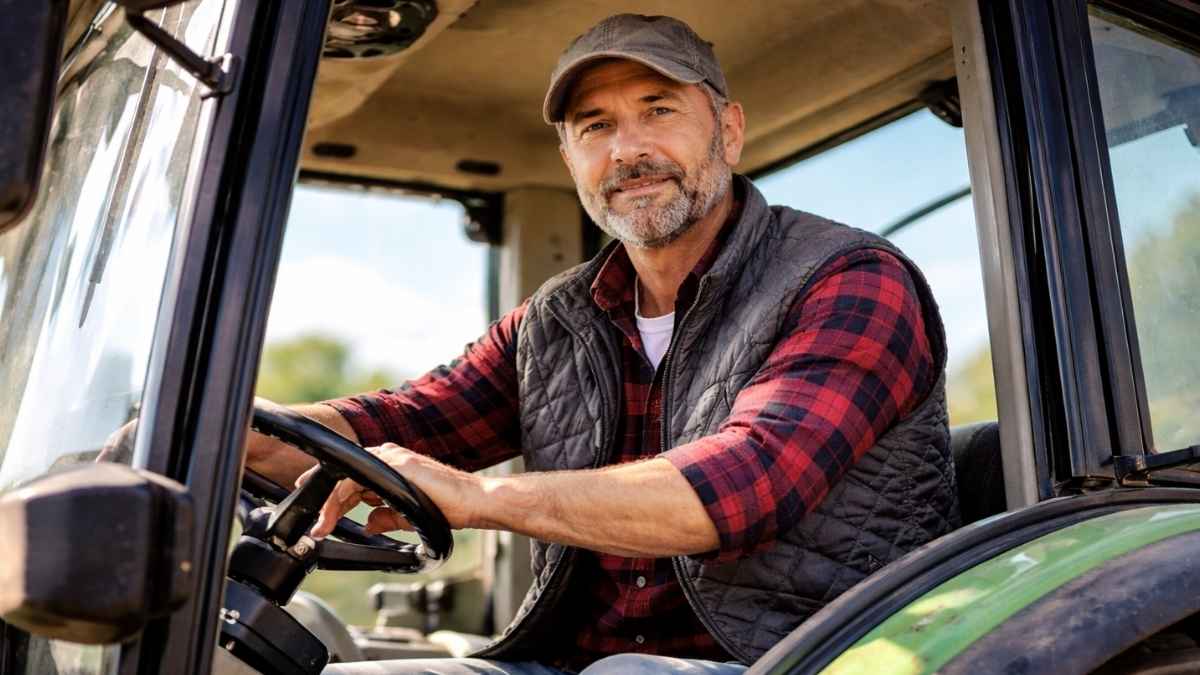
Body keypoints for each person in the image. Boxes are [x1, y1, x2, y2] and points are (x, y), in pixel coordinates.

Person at [248, 13, 959, 675]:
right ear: (570, 158)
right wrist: (231, 435)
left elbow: (748, 483)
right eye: (596, 126)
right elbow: (411, 422)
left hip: (801, 657)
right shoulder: (557, 319)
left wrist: (478, 497)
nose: (628, 150)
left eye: (659, 111)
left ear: (729, 130)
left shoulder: (849, 280)